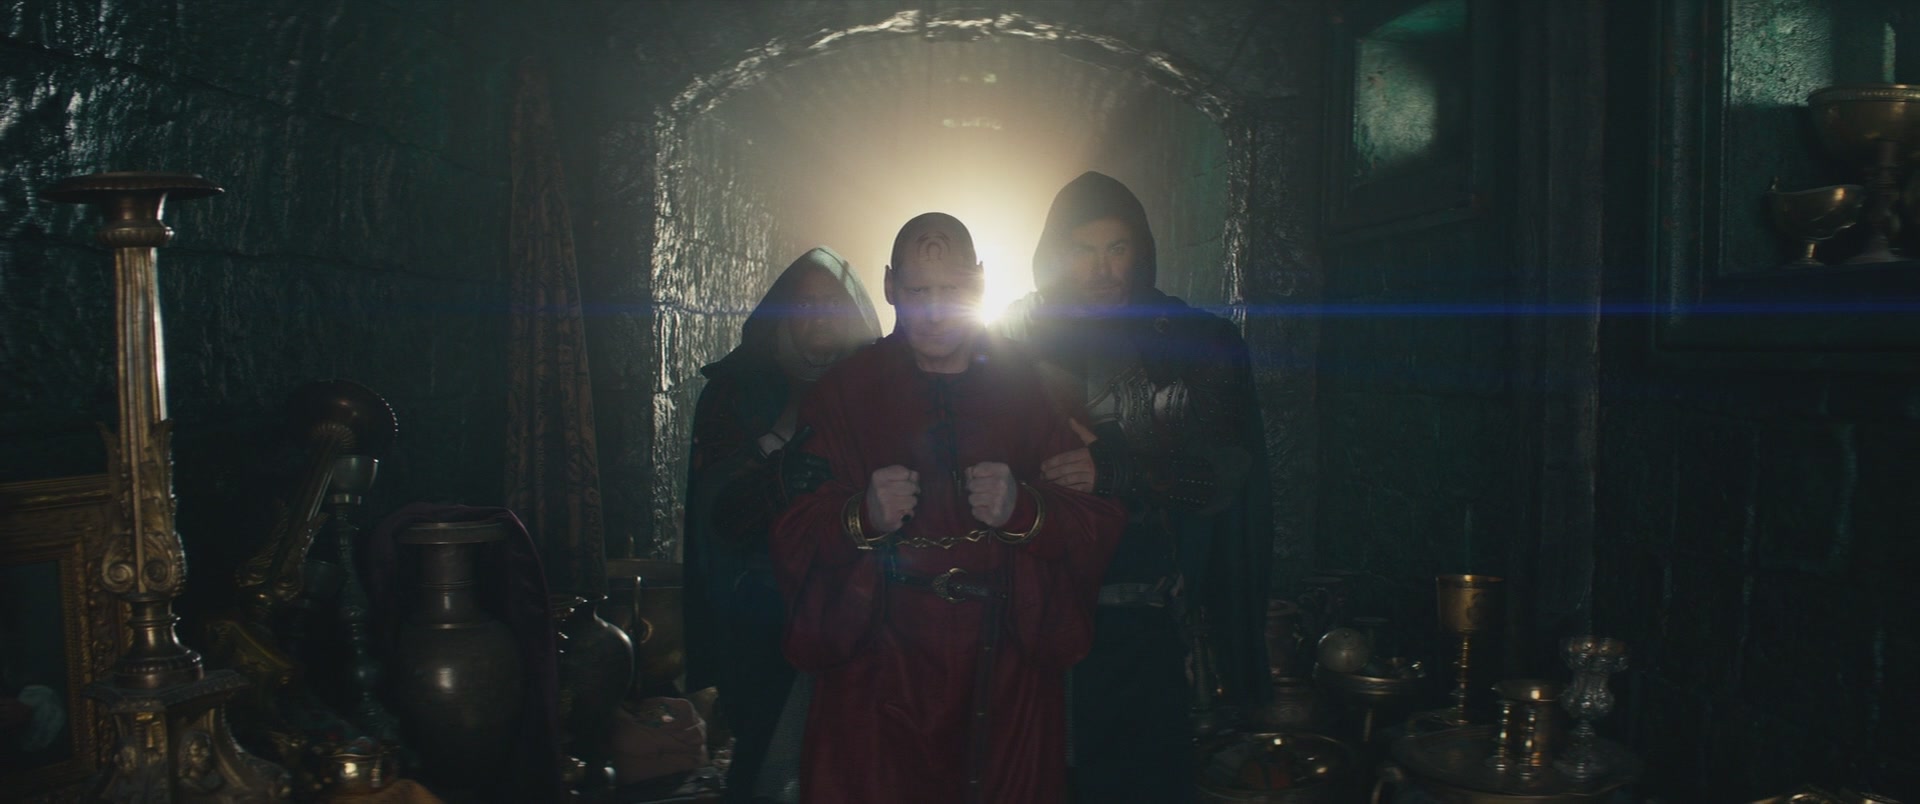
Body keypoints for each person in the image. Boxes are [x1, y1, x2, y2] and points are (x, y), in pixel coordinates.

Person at [770, 213, 1125, 804]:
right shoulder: (843, 392)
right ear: (889, 286)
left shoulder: (1031, 386)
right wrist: (861, 516)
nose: (935, 311)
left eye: (953, 289)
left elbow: (1098, 520)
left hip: (1003, 677)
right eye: (918, 291)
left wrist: (1025, 510)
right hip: (876, 677)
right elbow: (790, 533)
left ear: (980, 283)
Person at [998, 171, 1273, 803]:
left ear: (1140, 250)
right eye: (1083, 250)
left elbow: (1223, 478)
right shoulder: (1014, 344)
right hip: (1034, 616)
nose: (1101, 270)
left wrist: (1116, 471)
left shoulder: (1195, 344)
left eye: (1116, 248)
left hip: (1146, 618)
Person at [681, 247, 881, 803]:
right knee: (766, 754)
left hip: (857, 604)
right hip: (762, 607)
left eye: (831, 304)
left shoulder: (877, 384)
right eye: (805, 303)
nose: (819, 317)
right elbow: (717, 508)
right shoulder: (738, 390)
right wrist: (776, 478)